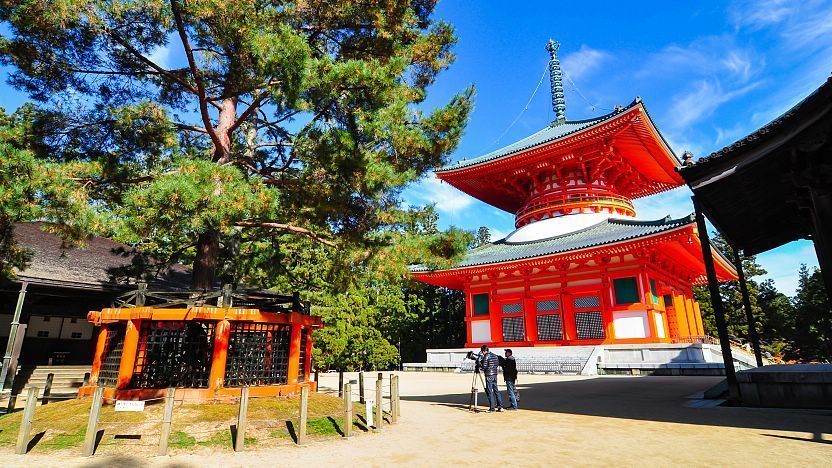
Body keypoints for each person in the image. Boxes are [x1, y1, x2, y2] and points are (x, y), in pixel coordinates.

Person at [476, 345, 504, 412]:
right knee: (496, 390)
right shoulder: (495, 355)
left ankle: (492, 408)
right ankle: (500, 407)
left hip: (488, 375)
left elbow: (484, 367)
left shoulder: (486, 356)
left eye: (482, 352)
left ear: (484, 351)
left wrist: (479, 363)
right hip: (494, 374)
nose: (482, 353)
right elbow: (497, 364)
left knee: (489, 391)